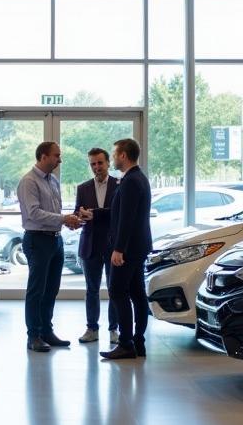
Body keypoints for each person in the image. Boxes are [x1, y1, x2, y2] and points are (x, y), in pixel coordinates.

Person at [18, 141, 84, 352]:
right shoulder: (29, 181)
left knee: (51, 289)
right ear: (43, 156)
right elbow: (34, 213)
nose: (60, 160)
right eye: (56, 155)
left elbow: (55, 211)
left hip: (55, 240)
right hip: (37, 240)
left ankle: (46, 331)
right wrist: (64, 218)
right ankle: (33, 336)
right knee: (36, 291)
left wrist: (68, 221)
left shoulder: (53, 180)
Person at [101, 137, 152, 360]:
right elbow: (119, 212)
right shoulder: (138, 177)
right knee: (137, 293)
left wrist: (118, 249)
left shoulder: (131, 181)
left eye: (114, 153)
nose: (112, 157)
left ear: (123, 155)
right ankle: (138, 341)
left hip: (128, 248)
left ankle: (125, 343)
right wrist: (94, 214)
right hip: (138, 246)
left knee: (117, 291)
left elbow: (127, 219)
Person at [74, 147, 119, 345]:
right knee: (91, 289)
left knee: (114, 289)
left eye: (100, 163)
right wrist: (80, 215)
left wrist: (97, 214)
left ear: (108, 163)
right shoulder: (82, 188)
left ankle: (114, 330)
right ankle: (92, 328)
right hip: (90, 245)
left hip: (112, 245)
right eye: (93, 163)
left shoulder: (120, 185)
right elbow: (78, 212)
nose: (97, 167)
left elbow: (119, 213)